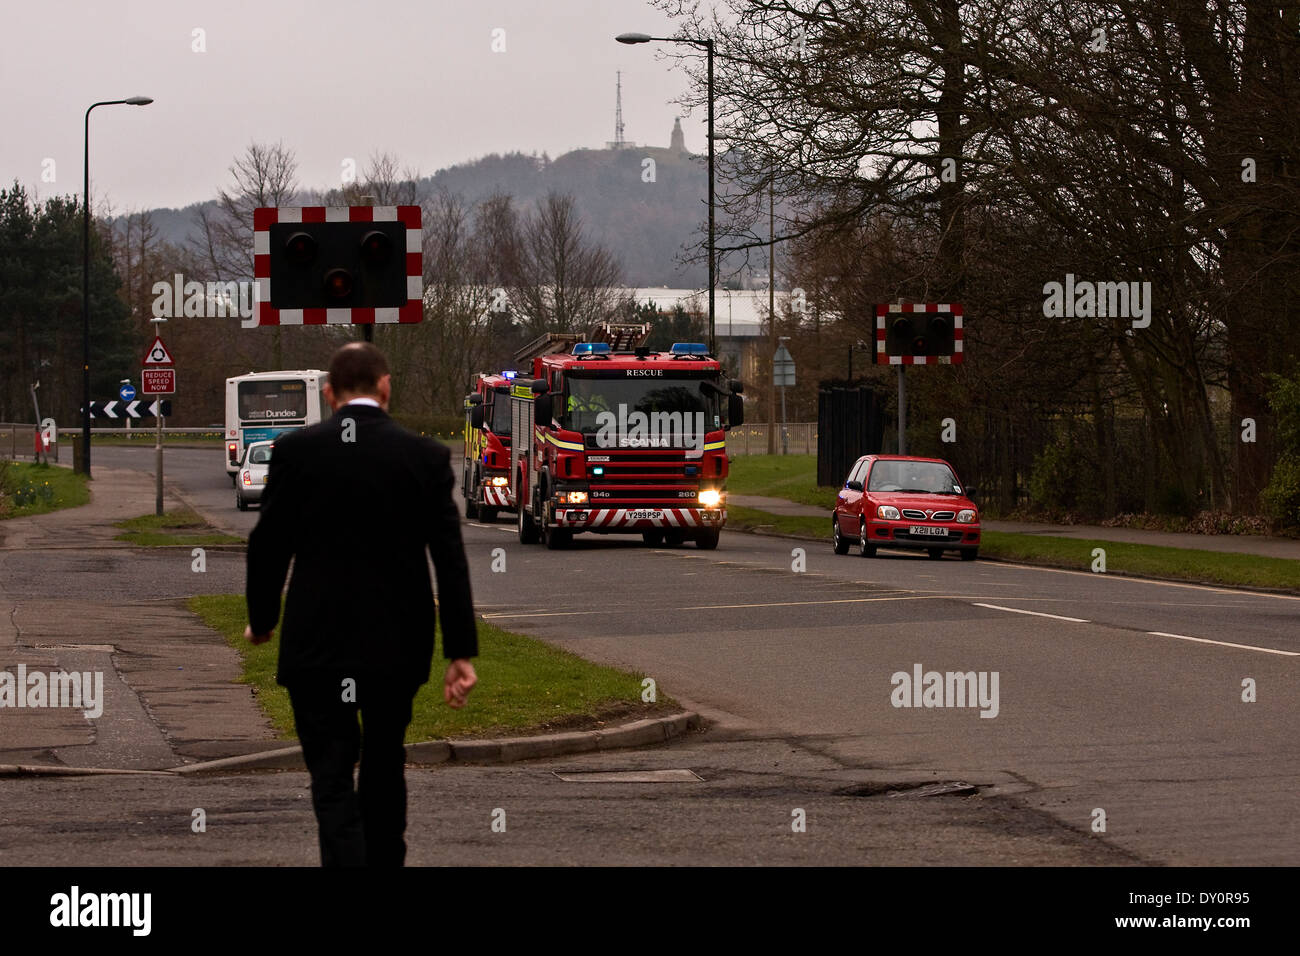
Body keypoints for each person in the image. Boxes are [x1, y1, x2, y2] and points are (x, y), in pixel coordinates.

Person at [244, 342, 478, 867]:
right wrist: (459, 653)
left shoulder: (296, 453)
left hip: (316, 643)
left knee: (330, 778)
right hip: (395, 646)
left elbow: (268, 544)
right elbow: (450, 559)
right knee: (384, 764)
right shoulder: (424, 457)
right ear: (386, 387)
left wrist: (262, 621)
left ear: (329, 394)